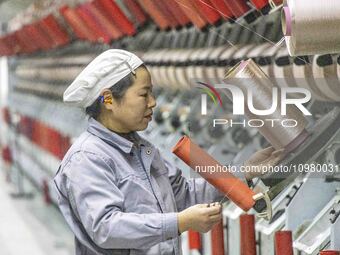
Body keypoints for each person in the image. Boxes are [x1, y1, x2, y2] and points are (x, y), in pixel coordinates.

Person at [54, 49, 282, 255]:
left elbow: (183, 194)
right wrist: (180, 222)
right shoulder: (88, 158)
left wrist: (245, 173)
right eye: (144, 94)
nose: (153, 102)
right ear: (109, 100)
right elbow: (106, 227)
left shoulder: (142, 149)